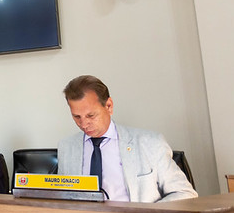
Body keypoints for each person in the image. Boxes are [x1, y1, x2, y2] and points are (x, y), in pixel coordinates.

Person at [57, 75, 198, 202]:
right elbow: (62, 199)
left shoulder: (150, 143)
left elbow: (184, 193)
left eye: (91, 116)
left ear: (109, 106)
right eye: (77, 117)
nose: (84, 124)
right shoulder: (67, 147)